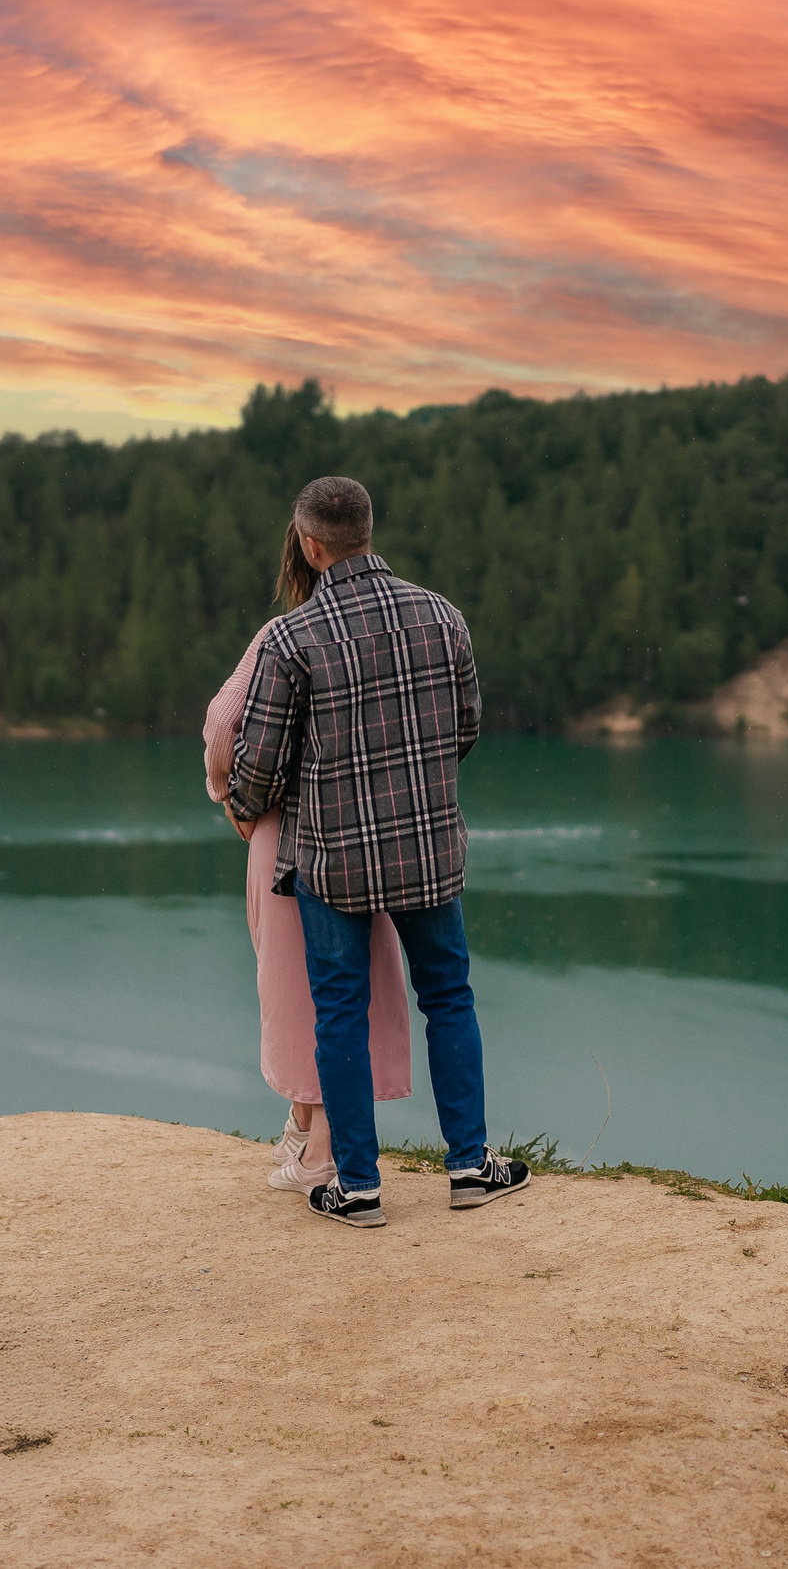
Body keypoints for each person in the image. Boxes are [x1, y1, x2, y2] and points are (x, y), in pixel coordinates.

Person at [223, 475, 530, 1228]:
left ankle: (356, 1186)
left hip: (334, 858)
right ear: (367, 531)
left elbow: (258, 764)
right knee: (448, 997)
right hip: (427, 848)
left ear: (309, 542)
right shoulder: (441, 617)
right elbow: (464, 731)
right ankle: (468, 1165)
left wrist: (240, 808)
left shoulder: (294, 639)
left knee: (340, 1013)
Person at [204, 522, 414, 1192]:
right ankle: (309, 1129)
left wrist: (230, 792)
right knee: (352, 982)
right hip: (371, 830)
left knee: (301, 985)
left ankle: (321, 1151)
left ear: (304, 554)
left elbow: (223, 723)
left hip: (288, 830)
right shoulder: (392, 631)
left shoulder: (285, 635)